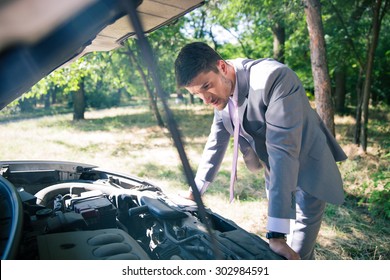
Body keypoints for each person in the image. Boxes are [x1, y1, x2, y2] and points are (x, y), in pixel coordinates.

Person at [174, 42, 347, 260]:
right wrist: (195, 191)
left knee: (297, 253)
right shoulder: (221, 91)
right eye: (197, 94)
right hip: (274, 173)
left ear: (222, 67)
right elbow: (216, 141)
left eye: (207, 87)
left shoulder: (274, 79)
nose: (206, 100)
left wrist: (276, 235)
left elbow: (283, 152)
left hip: (308, 167)